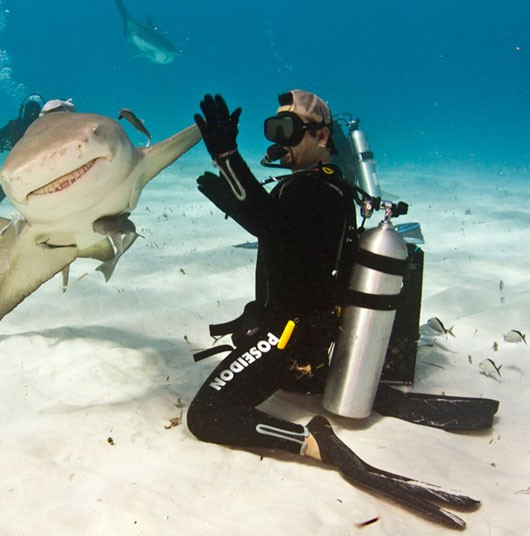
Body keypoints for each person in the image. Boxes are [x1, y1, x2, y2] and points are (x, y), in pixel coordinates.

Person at [188, 92, 487, 528]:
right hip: (301, 332)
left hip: (289, 336)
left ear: (323, 135)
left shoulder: (318, 191)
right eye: (274, 129)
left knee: (207, 416)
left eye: (288, 131)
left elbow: (274, 226)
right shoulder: (321, 186)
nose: (279, 140)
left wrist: (229, 158)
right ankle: (329, 381)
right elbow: (285, 238)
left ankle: (314, 442)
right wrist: (235, 196)